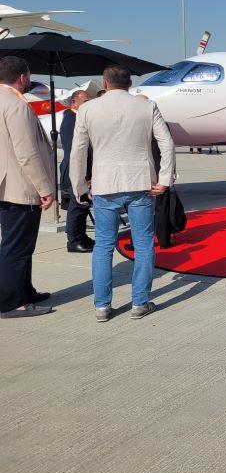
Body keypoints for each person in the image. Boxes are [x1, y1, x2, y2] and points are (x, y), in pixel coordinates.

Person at [70, 65, 175, 322]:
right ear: (130, 84)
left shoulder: (87, 109)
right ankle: (140, 302)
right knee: (144, 243)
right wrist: (164, 179)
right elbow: (167, 143)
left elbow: (78, 151)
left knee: (104, 245)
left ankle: (102, 306)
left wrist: (79, 186)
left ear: (105, 83)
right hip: (140, 182)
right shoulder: (146, 106)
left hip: (105, 184)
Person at [0, 56, 55, 319]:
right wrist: (44, 188)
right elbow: (27, 153)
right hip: (19, 185)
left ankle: (25, 291)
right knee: (17, 247)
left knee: (17, 244)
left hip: (4, 183)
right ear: (23, 77)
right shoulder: (15, 105)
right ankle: (12, 302)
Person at [59, 89, 94, 253]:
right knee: (77, 205)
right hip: (76, 170)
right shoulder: (71, 120)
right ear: (74, 102)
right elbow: (75, 151)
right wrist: (83, 174)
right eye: (85, 102)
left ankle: (81, 235)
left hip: (83, 169)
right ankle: (73, 240)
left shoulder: (78, 118)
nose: (88, 104)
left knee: (84, 205)